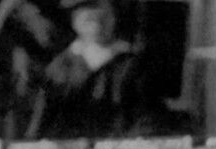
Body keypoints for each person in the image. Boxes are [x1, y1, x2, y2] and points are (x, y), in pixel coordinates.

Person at [31, 0, 157, 140]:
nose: (95, 15)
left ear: (113, 17)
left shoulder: (132, 65)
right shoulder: (59, 69)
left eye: (101, 9)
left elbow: (145, 120)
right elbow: (41, 125)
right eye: (86, 11)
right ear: (74, 20)